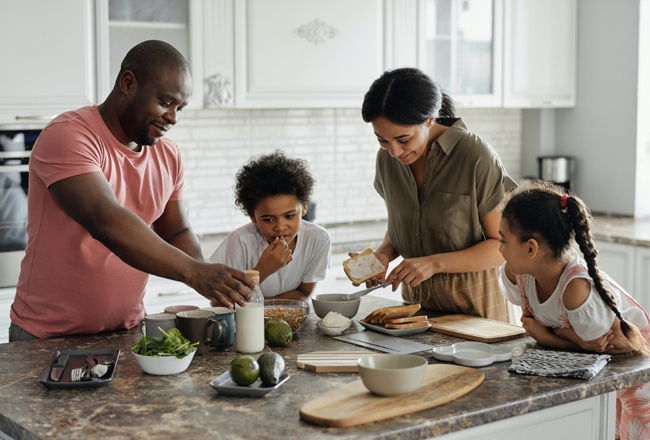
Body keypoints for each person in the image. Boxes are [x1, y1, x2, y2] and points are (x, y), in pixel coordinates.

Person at [9, 40, 255, 342]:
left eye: (180, 108)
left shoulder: (168, 154)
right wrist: (194, 272)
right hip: (47, 336)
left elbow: (177, 230)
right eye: (165, 102)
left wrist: (208, 279)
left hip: (127, 331)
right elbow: (106, 220)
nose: (173, 118)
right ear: (128, 83)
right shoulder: (68, 135)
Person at [359, 67, 517, 322]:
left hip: (478, 316)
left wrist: (432, 264)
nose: (395, 152)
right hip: (416, 315)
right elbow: (405, 225)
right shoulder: (386, 161)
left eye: (403, 139)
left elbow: (503, 246)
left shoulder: (474, 155)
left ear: (430, 119)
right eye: (382, 140)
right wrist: (384, 254)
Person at [498, 182, 650, 439]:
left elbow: (603, 346)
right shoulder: (518, 273)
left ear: (531, 248)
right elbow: (583, 343)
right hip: (596, 368)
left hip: (632, 368)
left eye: (503, 240)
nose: (499, 248)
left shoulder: (575, 290)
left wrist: (547, 336)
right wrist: (566, 336)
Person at [209, 151, 331, 301]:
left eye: (289, 216)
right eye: (268, 219)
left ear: (305, 207)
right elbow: (219, 303)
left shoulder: (318, 238)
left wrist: (261, 306)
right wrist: (263, 270)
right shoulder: (240, 241)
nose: (280, 227)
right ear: (252, 216)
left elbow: (303, 294)